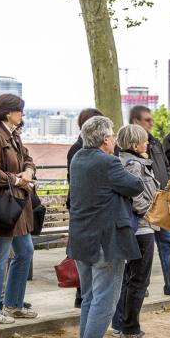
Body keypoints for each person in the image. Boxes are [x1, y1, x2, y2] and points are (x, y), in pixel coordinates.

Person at [68, 116, 144, 338]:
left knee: (89, 296)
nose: (113, 139)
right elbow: (135, 186)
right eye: (111, 136)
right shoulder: (108, 162)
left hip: (81, 238)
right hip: (106, 240)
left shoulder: (78, 158)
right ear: (105, 139)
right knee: (106, 297)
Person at [0, 94, 38, 324]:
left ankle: (13, 304)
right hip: (3, 206)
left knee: (25, 252)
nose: (22, 114)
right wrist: (17, 180)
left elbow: (28, 159)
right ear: (8, 112)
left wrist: (29, 172)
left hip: (17, 206)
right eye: (20, 111)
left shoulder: (12, 135)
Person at [111, 124, 159, 338]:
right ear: (133, 144)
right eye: (143, 140)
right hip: (141, 227)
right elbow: (134, 193)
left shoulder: (122, 161)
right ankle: (131, 330)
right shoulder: (133, 165)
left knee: (130, 279)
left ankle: (125, 326)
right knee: (139, 280)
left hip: (136, 227)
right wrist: (148, 211)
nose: (147, 143)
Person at [129, 105, 170, 296]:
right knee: (142, 249)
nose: (152, 123)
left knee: (168, 242)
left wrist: (166, 186)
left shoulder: (155, 143)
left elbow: (166, 166)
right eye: (147, 120)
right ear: (136, 122)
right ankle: (140, 286)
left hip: (161, 201)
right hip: (142, 208)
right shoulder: (127, 148)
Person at [67, 108, 104, 308]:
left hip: (80, 207)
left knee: (85, 253)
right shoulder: (79, 150)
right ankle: (82, 293)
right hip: (83, 208)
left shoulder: (81, 149)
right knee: (85, 254)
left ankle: (83, 294)